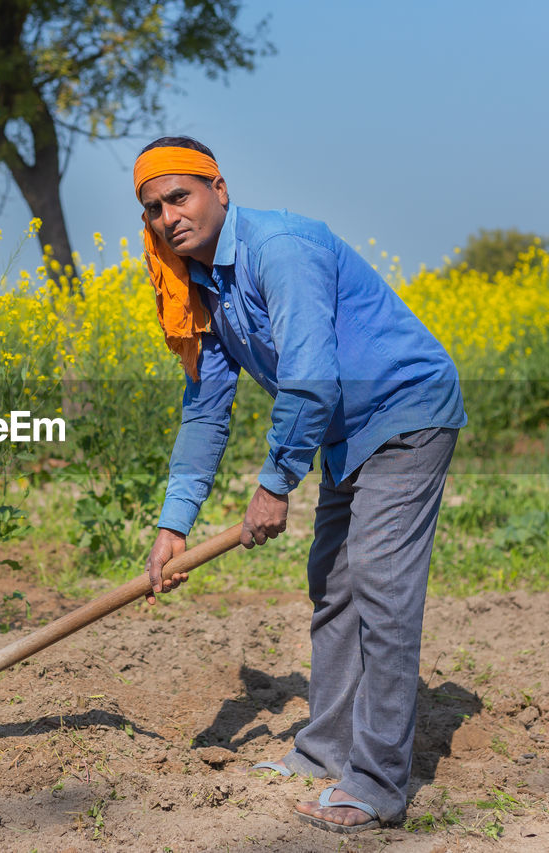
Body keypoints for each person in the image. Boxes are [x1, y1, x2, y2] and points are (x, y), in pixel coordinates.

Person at [135, 136, 466, 834]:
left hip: (403, 410)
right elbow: (205, 413)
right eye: (152, 207)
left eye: (179, 196)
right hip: (345, 429)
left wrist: (276, 482)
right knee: (334, 583)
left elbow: (311, 375)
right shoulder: (203, 289)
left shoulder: (279, 249)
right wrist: (174, 525)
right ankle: (326, 751)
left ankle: (375, 787)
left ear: (218, 190)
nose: (167, 216)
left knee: (379, 582)